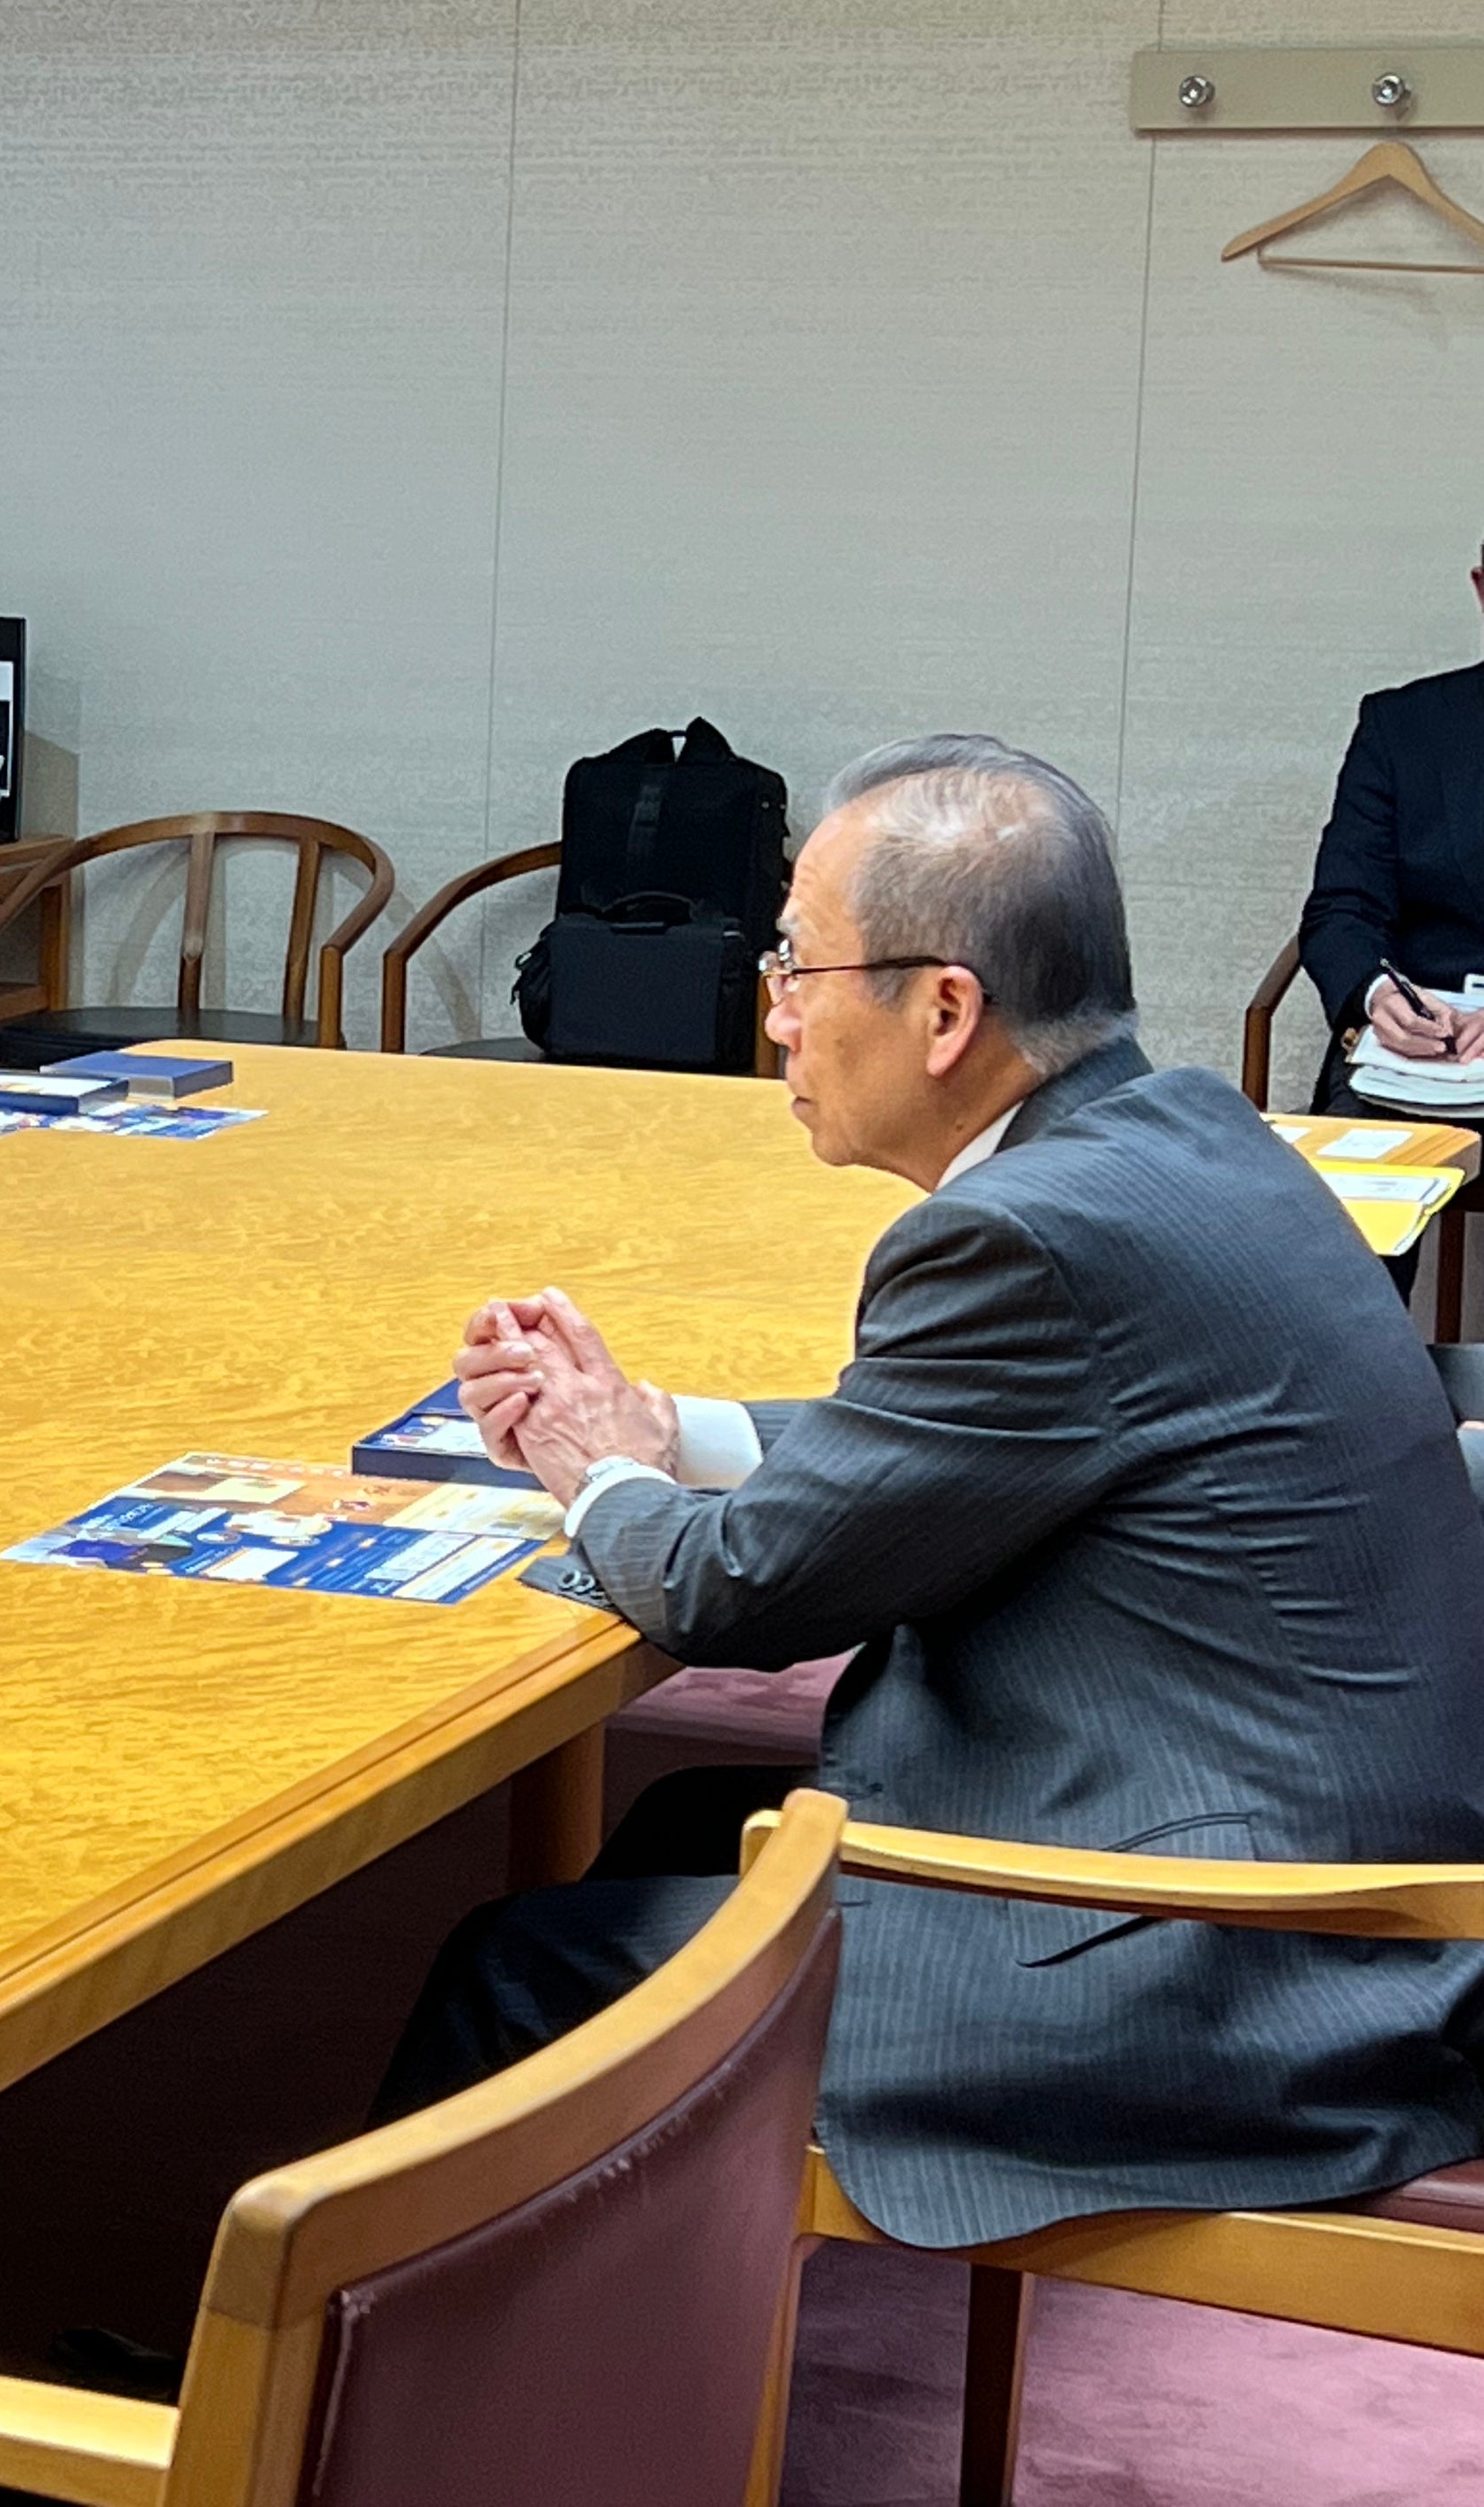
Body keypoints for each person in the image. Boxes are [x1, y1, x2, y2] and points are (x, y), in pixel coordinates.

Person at [380, 735, 1484, 2253]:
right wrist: (660, 1425)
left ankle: (364, 2424)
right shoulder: (1179, 1133)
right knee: (694, 1818)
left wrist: (594, 1466)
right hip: (1333, 1883)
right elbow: (953, 1443)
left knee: (513, 1971)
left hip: (1246, 1977)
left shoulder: (1029, 1235)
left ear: (945, 1009)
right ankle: (642, 2297)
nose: (770, 1015)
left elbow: (735, 1594)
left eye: (797, 965)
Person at [1298, 541, 1484, 1103]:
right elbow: (1343, 908)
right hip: (1424, 1062)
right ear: (1482, 589)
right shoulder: (1403, 729)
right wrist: (1378, 994)